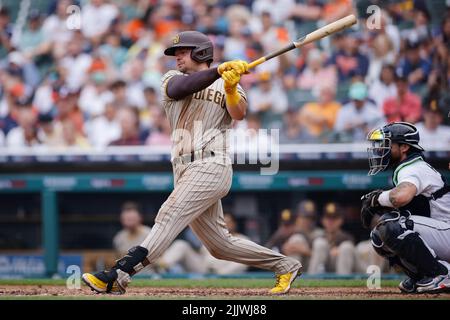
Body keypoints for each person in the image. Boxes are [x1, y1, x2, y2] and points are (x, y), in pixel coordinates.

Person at [82, 30, 301, 295]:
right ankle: (285, 265)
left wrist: (231, 87)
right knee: (220, 246)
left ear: (201, 53)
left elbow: (239, 113)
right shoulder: (171, 79)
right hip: (183, 168)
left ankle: (118, 274)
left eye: (183, 51)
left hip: (212, 163)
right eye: (176, 53)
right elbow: (180, 89)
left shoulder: (227, 82)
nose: (177, 57)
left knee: (168, 215)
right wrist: (220, 70)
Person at [361, 122, 450, 293]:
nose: (381, 149)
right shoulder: (408, 167)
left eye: (388, 144)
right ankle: (422, 275)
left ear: (403, 147)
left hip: (446, 231)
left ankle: (442, 273)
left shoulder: (413, 167)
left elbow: (400, 197)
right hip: (441, 234)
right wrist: (378, 201)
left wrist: (376, 199)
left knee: (391, 225)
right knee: (378, 237)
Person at [156, 213, 249, 275]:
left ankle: (219, 277)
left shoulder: (243, 239)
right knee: (181, 245)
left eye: (228, 222)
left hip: (222, 272)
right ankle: (161, 267)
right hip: (203, 269)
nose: (225, 225)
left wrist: (221, 273)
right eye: (222, 222)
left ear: (234, 224)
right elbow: (201, 253)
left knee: (245, 260)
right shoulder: (212, 236)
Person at [307, 202, 355, 275]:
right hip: (324, 265)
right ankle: (312, 280)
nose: (330, 222)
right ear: (323, 220)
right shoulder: (318, 236)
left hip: (340, 264)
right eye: (328, 218)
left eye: (334, 218)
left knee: (346, 247)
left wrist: (339, 250)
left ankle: (343, 283)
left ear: (340, 220)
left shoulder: (347, 237)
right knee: (319, 243)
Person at [282, 200, 325, 270]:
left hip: (315, 267)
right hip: (296, 265)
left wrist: (306, 251)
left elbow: (327, 256)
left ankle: (313, 279)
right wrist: (283, 250)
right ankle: (293, 277)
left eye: (310, 218)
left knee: (320, 243)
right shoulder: (289, 231)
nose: (307, 221)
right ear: (297, 217)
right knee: (296, 239)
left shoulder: (319, 233)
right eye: (304, 217)